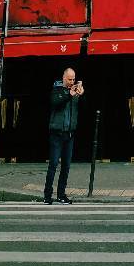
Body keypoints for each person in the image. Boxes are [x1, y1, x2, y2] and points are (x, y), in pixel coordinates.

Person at [43, 66, 83, 204]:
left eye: (73, 79)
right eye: (70, 79)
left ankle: (61, 194)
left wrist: (79, 95)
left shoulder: (74, 92)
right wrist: (69, 95)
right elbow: (56, 103)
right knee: (53, 164)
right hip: (57, 133)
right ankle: (47, 195)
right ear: (64, 78)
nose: (72, 82)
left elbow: (77, 109)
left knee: (66, 166)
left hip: (69, 133)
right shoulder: (57, 90)